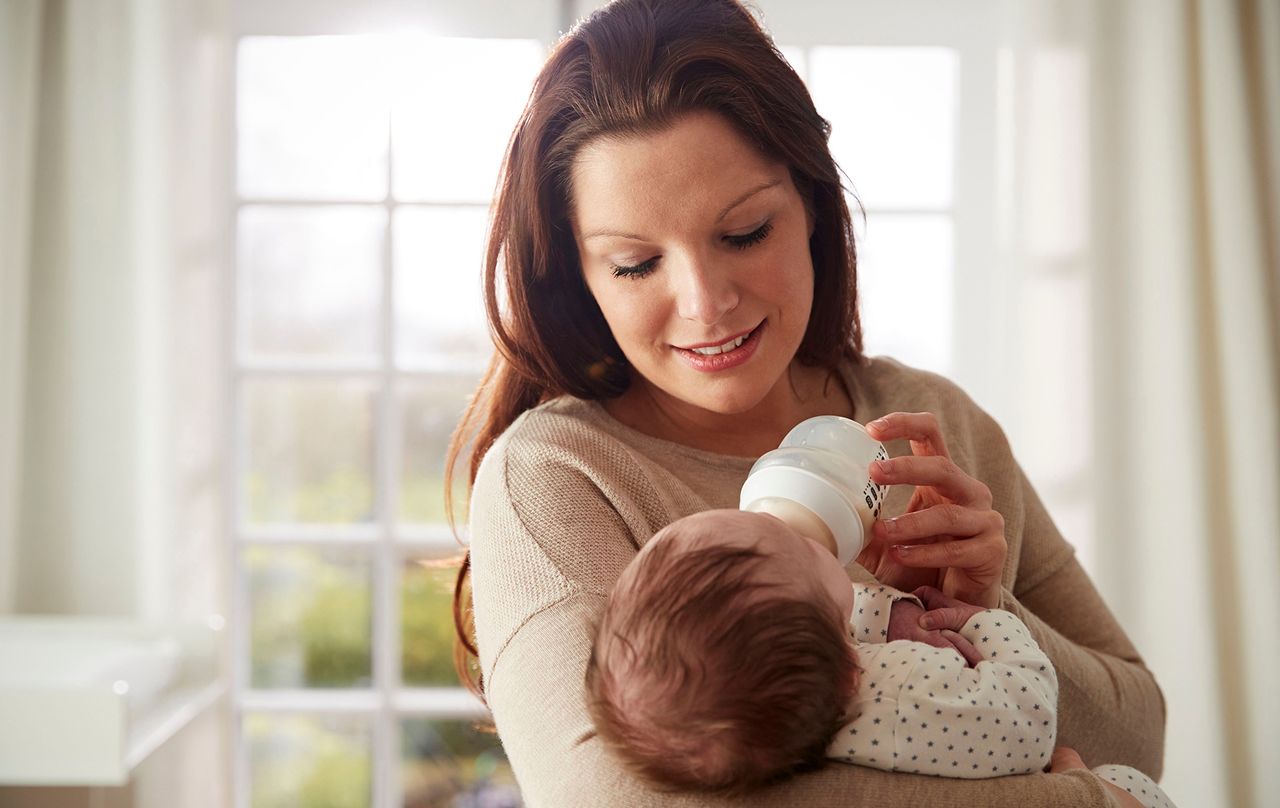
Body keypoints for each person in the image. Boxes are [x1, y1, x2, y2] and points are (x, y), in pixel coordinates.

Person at [444, 0, 1166, 805]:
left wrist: (981, 612)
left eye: (746, 232)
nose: (706, 303)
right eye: (637, 263)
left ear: (813, 209)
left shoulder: (933, 421)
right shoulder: (556, 478)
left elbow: (1141, 733)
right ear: (578, 277)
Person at [584, 509, 1176, 808]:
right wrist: (988, 620)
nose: (800, 533)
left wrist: (890, 612)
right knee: (1128, 783)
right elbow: (1029, 716)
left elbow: (840, 627)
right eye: (795, 546)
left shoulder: (788, 709)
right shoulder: (903, 695)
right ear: (849, 673)